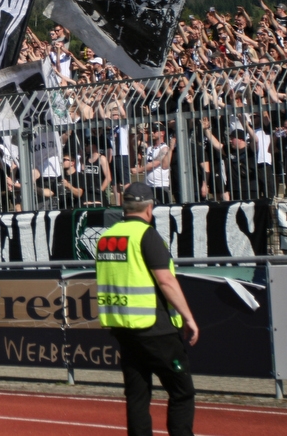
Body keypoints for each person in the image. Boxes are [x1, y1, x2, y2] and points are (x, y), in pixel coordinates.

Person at [96, 182, 199, 436]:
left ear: (125, 206)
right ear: (149, 209)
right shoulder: (146, 235)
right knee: (182, 392)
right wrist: (189, 318)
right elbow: (166, 280)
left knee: (137, 396)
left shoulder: (106, 237)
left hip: (124, 328)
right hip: (157, 328)